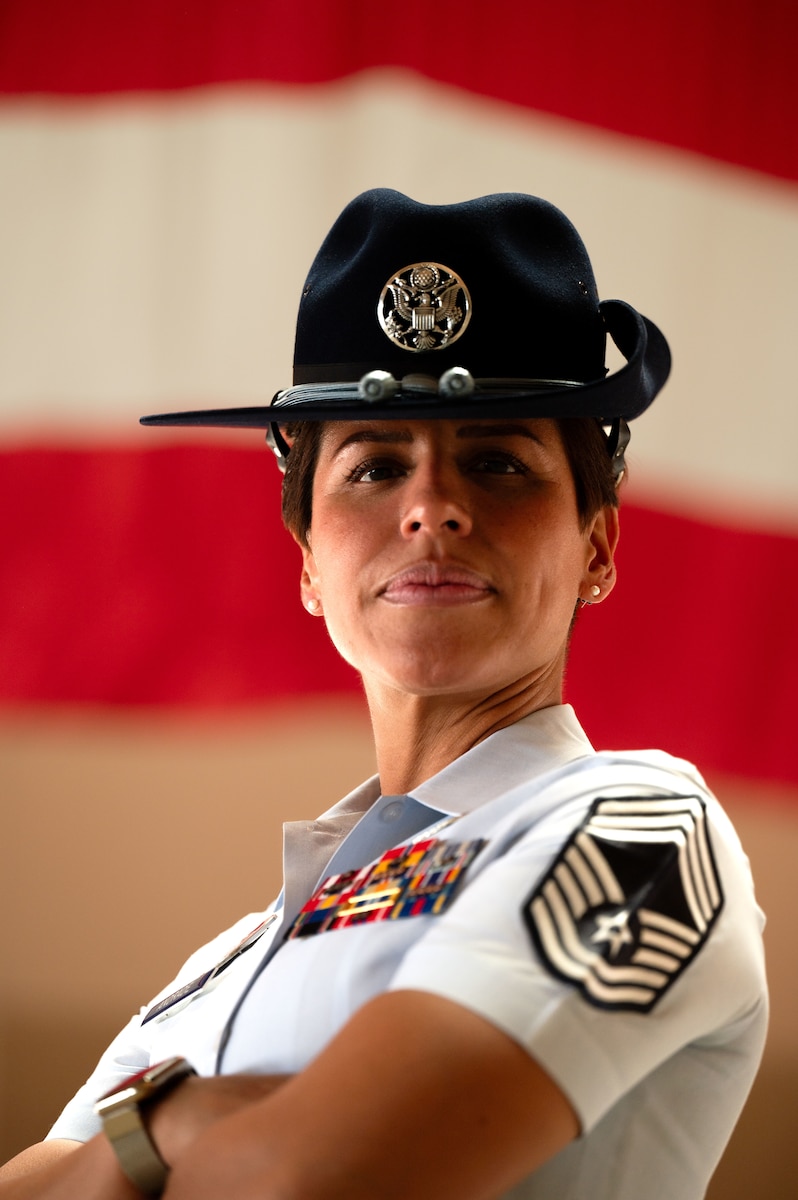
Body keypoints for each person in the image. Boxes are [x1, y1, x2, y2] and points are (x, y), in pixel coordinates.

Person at [0, 190, 767, 1200]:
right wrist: (181, 1136)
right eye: (373, 466)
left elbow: (308, 1181)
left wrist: (153, 1128)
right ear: (309, 563)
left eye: (497, 461)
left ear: (597, 546)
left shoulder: (643, 834)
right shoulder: (221, 964)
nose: (433, 508)